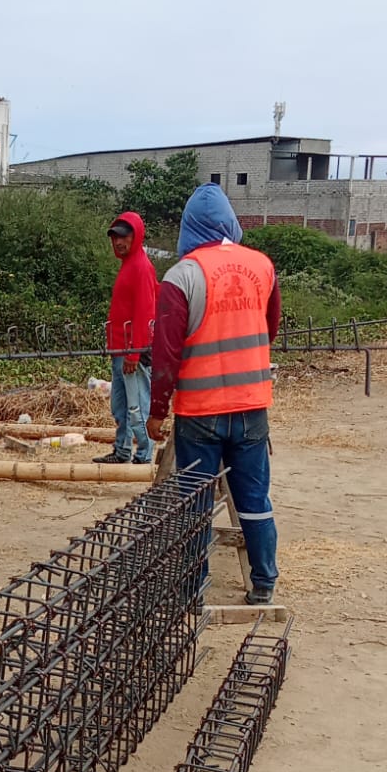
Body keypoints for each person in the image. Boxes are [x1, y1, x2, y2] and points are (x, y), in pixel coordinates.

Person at [146, 184, 282, 604]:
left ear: (189, 227)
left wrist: (156, 410)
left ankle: (194, 590)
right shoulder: (262, 266)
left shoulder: (182, 275)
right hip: (251, 407)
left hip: (200, 412)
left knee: (195, 503)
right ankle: (263, 583)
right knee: (254, 498)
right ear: (230, 223)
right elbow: (269, 328)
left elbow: (165, 353)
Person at [94, 211, 157, 466]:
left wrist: (134, 352)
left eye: (124, 236)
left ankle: (144, 456)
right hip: (120, 349)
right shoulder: (129, 265)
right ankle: (122, 450)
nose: (118, 242)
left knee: (137, 408)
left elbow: (145, 313)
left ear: (136, 236)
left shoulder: (141, 267)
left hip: (132, 351)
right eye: (115, 238)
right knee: (120, 407)